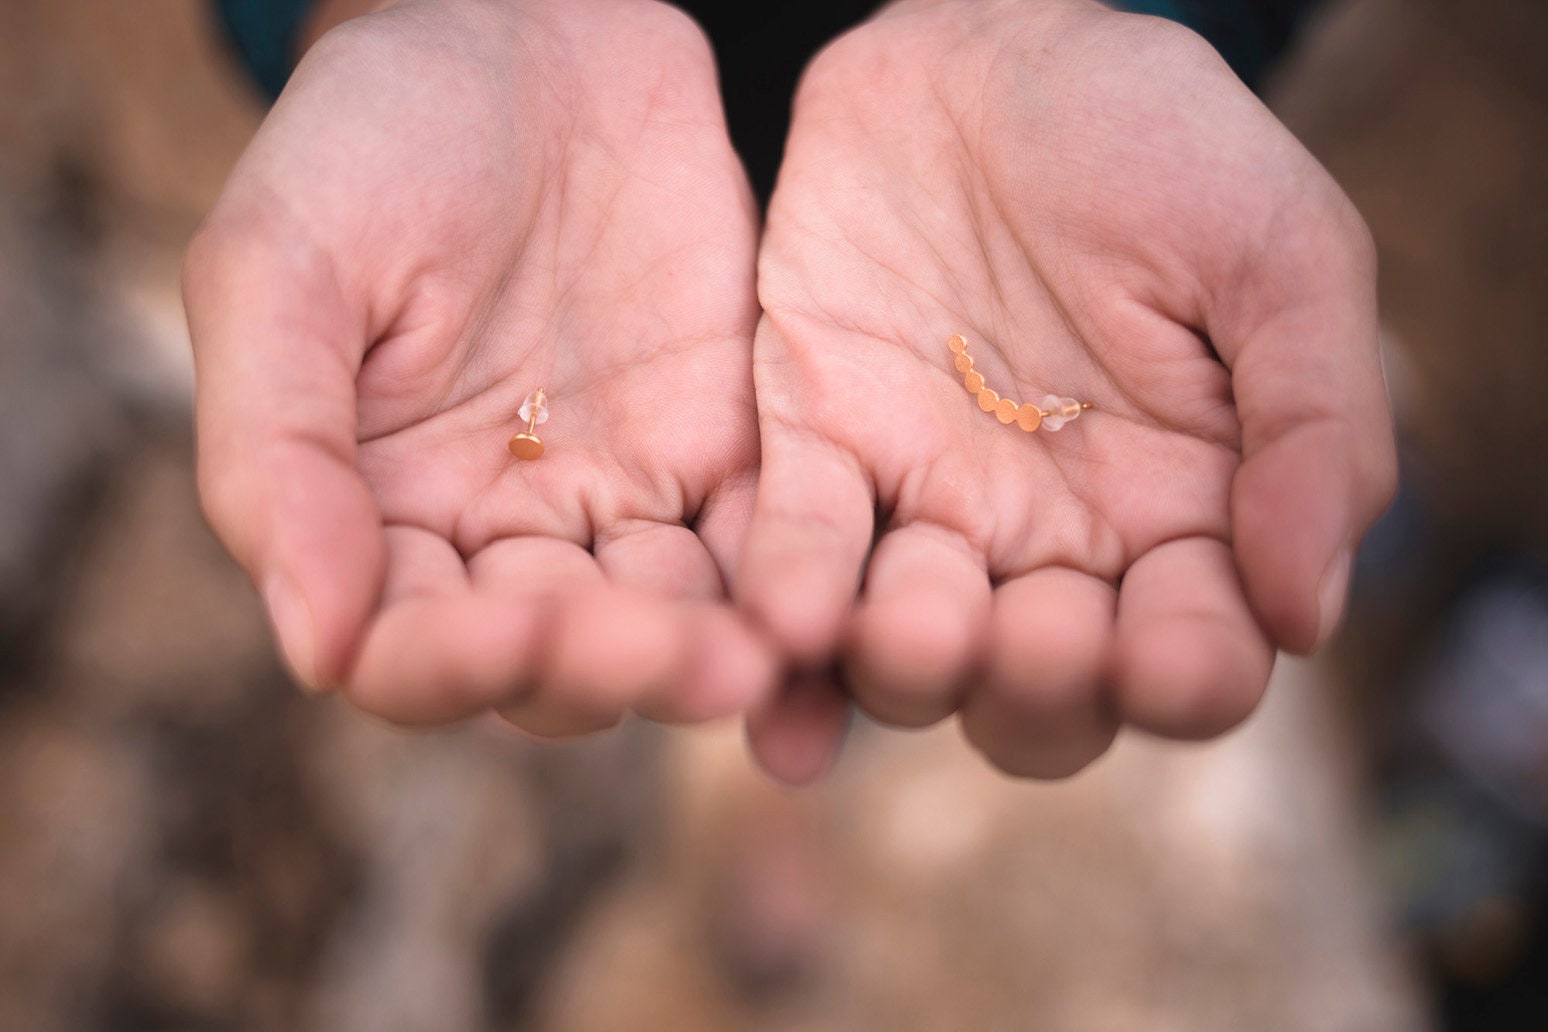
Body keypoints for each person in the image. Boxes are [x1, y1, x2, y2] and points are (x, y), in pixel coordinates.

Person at [185, 0, 1396, 784]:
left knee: (876, 556)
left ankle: (792, 788)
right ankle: (768, 763)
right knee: (734, 546)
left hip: (1002, 175)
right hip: (554, 152)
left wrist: (1131, 24)